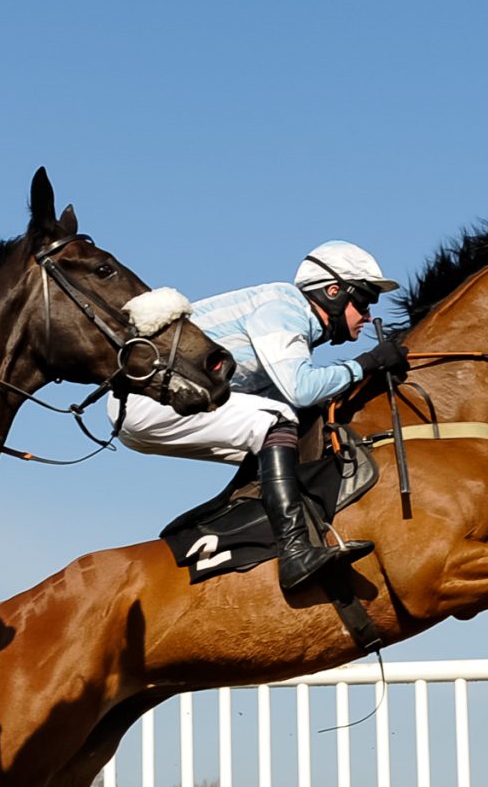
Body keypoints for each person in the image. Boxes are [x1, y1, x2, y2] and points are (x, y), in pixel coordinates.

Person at [111, 241, 408, 591]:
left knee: (294, 437)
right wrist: (368, 363)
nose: (368, 316)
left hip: (153, 406)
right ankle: (295, 551)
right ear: (333, 292)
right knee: (278, 418)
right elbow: (302, 389)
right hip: (148, 401)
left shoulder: (292, 318)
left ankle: (214, 529)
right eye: (364, 302)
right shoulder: (283, 308)